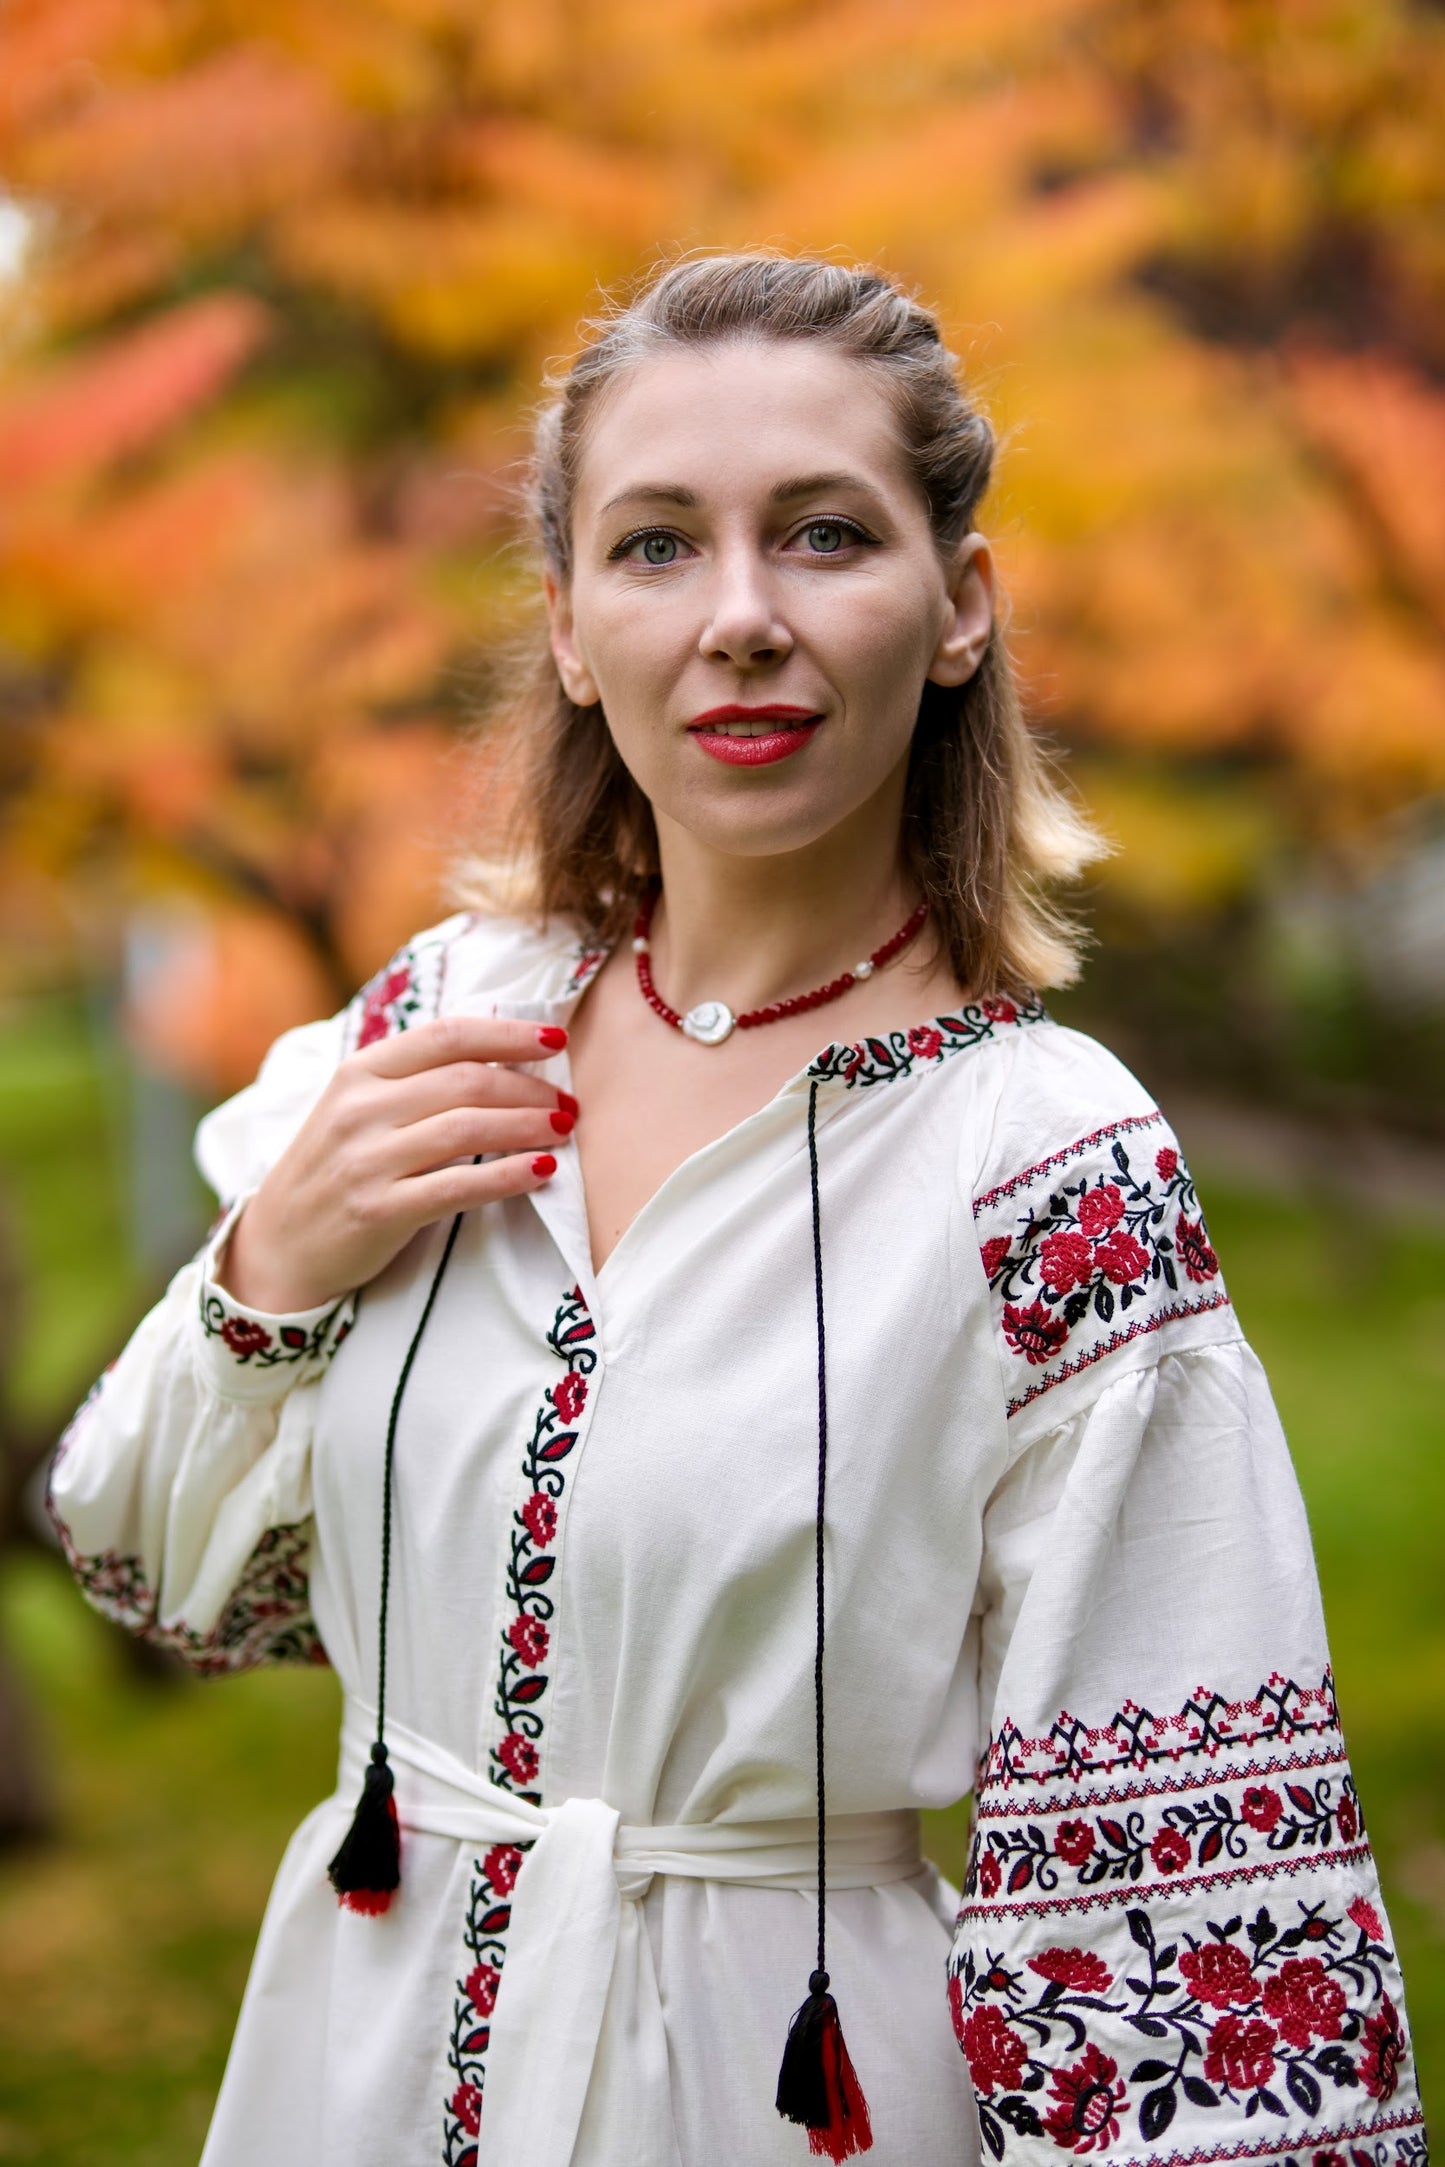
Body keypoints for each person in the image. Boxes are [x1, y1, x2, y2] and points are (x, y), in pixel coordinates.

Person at [48, 255, 1424, 2167]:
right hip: (350, 2069)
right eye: (656, 546)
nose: (742, 618)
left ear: (957, 607)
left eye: (824, 534)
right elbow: (152, 1573)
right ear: (569, 626)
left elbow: (1173, 1907)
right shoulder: (435, 1026)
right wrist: (273, 1266)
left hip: (773, 2089)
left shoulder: (1044, 1165)